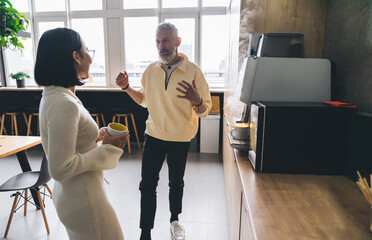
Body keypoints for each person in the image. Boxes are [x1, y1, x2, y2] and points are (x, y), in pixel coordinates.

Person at [116, 22, 212, 240]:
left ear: (178, 42)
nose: (161, 46)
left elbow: (205, 110)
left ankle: (174, 221)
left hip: (180, 137)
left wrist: (197, 101)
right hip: (154, 136)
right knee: (147, 184)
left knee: (175, 183)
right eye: (158, 41)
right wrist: (126, 87)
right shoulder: (151, 70)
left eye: (166, 40)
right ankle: (145, 232)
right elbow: (143, 100)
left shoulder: (194, 71)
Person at [35, 28, 127, 240]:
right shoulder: (63, 103)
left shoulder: (55, 95)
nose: (90, 59)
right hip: (84, 200)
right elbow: (60, 168)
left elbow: (69, 144)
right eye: (87, 51)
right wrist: (106, 149)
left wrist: (97, 138)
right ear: (75, 57)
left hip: (74, 195)